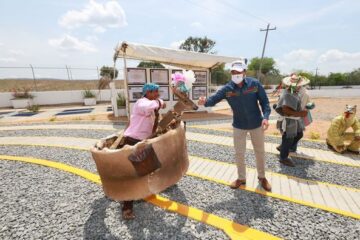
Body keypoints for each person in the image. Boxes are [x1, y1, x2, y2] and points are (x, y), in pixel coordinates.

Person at [198, 60, 272, 192]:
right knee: (239, 153)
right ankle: (241, 178)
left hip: (256, 124)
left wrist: (265, 117)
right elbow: (212, 100)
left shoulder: (254, 84)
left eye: (238, 72)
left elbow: (265, 102)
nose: (235, 74)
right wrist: (205, 102)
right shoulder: (228, 89)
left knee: (260, 152)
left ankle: (262, 177)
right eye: (233, 72)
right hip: (239, 125)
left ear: (244, 72)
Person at [120, 83, 166, 220]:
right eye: (154, 92)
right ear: (147, 93)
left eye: (158, 91)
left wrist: (159, 102)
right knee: (133, 175)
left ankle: (144, 192)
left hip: (144, 141)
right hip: (134, 141)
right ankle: (127, 207)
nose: (157, 94)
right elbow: (151, 107)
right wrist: (159, 102)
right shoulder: (142, 102)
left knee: (149, 168)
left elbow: (158, 105)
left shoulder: (152, 102)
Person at [275, 74, 309, 167]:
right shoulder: (288, 94)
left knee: (298, 134)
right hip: (290, 120)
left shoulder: (293, 92)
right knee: (288, 138)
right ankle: (283, 158)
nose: (300, 87)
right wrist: (301, 114)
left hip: (294, 119)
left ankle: (283, 148)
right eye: (298, 85)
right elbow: (286, 110)